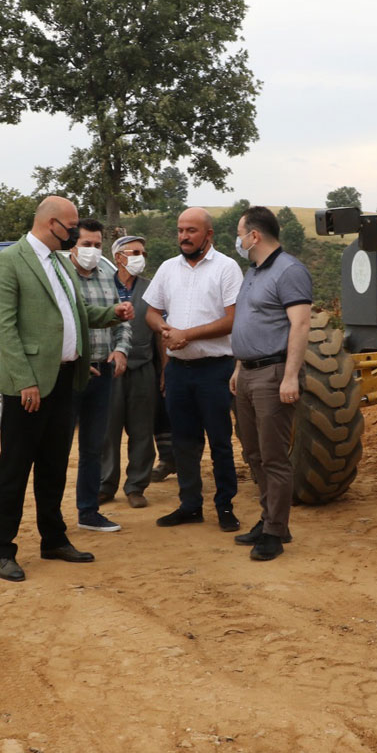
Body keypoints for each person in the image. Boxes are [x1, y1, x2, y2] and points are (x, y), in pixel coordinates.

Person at [0, 196, 134, 581]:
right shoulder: (8, 263)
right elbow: (5, 329)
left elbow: (77, 316)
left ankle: (53, 539)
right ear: (51, 223)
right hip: (30, 387)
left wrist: (110, 314)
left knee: (53, 466)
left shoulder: (59, 265)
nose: (73, 235)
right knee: (15, 469)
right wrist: (25, 380)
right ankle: (4, 548)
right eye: (70, 228)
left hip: (66, 379)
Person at [143, 207, 243, 532]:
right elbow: (151, 312)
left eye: (191, 231)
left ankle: (225, 507)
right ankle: (189, 506)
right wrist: (165, 330)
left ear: (208, 235)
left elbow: (232, 319)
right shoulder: (168, 268)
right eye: (180, 230)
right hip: (179, 371)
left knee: (220, 442)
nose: (184, 236)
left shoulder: (227, 268)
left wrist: (188, 334)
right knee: (183, 442)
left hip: (214, 370)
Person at [228, 206, 313, 561]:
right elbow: (249, 323)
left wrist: (291, 375)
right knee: (254, 453)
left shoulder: (289, 271)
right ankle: (270, 520)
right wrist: (237, 367)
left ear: (255, 235)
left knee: (274, 457)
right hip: (247, 373)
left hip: (274, 374)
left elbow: (301, 325)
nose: (237, 239)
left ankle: (275, 532)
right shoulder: (254, 271)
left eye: (239, 232)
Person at [65, 219, 132, 532]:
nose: (91, 251)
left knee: (94, 446)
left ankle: (88, 512)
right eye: (86, 244)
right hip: (67, 373)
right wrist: (78, 361)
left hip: (103, 372)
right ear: (73, 245)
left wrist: (121, 350)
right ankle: (51, 518)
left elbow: (122, 319)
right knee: (58, 446)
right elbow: (59, 325)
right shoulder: (60, 275)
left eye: (96, 245)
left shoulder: (108, 273)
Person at [99, 235, 160, 510]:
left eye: (143, 252)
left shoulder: (151, 289)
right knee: (107, 430)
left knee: (142, 430)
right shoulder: (102, 286)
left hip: (143, 366)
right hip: (108, 370)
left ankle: (136, 486)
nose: (140, 257)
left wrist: (164, 372)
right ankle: (105, 484)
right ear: (118, 257)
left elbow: (160, 333)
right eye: (134, 252)